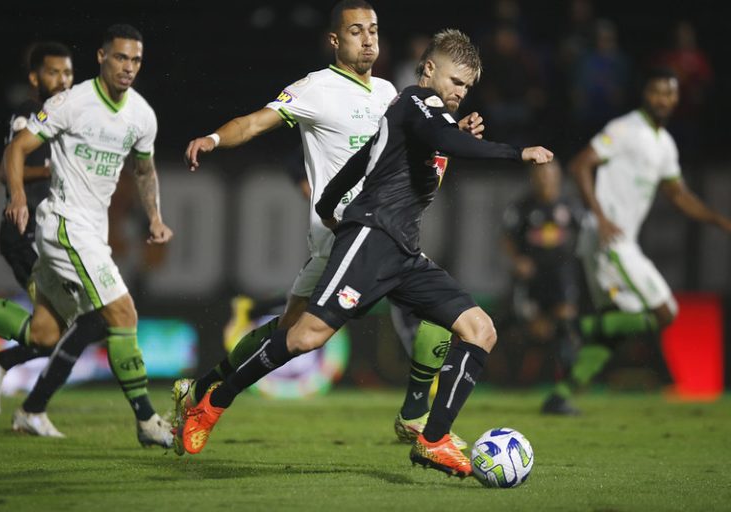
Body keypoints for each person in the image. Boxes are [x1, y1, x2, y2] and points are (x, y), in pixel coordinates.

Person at [177, 29, 553, 478]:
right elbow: (445, 142)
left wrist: (326, 201)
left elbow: (365, 158)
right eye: (455, 81)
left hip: (404, 252)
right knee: (303, 337)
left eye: (468, 87)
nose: (460, 92)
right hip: (372, 239)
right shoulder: (414, 102)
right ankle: (211, 404)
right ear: (429, 69)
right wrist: (517, 152)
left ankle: (433, 439)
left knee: (480, 329)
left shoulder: (425, 118)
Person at [0, 24, 174, 447]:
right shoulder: (70, 103)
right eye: (120, 58)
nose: (128, 67)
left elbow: (145, 170)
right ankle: (148, 422)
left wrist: (154, 216)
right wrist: (19, 197)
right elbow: (18, 148)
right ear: (101, 57)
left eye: (135, 60)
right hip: (63, 224)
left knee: (45, 333)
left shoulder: (141, 115)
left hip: (90, 229)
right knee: (123, 313)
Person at [543, 68, 731, 414]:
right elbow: (580, 164)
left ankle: (560, 395)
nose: (663, 99)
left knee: (614, 330)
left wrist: (719, 220)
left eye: (669, 93)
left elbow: (679, 195)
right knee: (664, 311)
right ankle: (574, 325)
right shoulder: (626, 128)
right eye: (657, 91)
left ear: (676, 98)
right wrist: (599, 215)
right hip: (610, 240)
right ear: (646, 93)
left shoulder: (664, 144)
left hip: (617, 242)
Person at [0, 42, 85, 428]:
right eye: (54, 72)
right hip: (26, 233)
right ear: (35, 77)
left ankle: (3, 366)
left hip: (47, 234)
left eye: (68, 72)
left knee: (64, 328)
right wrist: (55, 172)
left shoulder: (63, 120)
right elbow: (9, 170)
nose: (63, 79)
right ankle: (29, 407)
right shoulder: (29, 115)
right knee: (65, 327)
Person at [501, 161, 581, 400]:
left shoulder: (570, 206)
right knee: (536, 330)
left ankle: (567, 387)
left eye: (550, 174)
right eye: (541, 174)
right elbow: (506, 237)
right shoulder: (522, 207)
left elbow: (585, 234)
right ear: (533, 178)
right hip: (532, 277)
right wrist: (518, 260)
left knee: (566, 324)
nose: (545, 179)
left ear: (558, 177)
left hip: (561, 275)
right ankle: (522, 382)